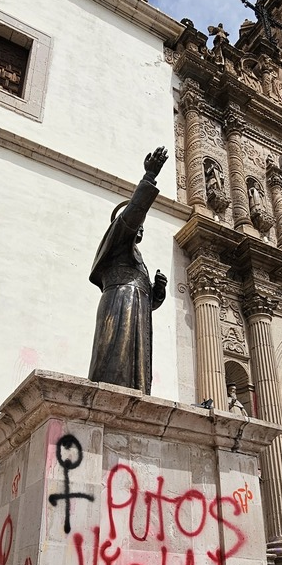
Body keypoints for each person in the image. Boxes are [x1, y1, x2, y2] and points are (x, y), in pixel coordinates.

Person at [88, 147, 168, 393]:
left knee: (136, 372)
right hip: (121, 302)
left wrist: (158, 290)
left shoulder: (137, 257)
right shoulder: (118, 238)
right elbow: (131, 215)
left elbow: (149, 300)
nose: (139, 227)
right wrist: (149, 178)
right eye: (138, 224)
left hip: (137, 308)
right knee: (116, 366)